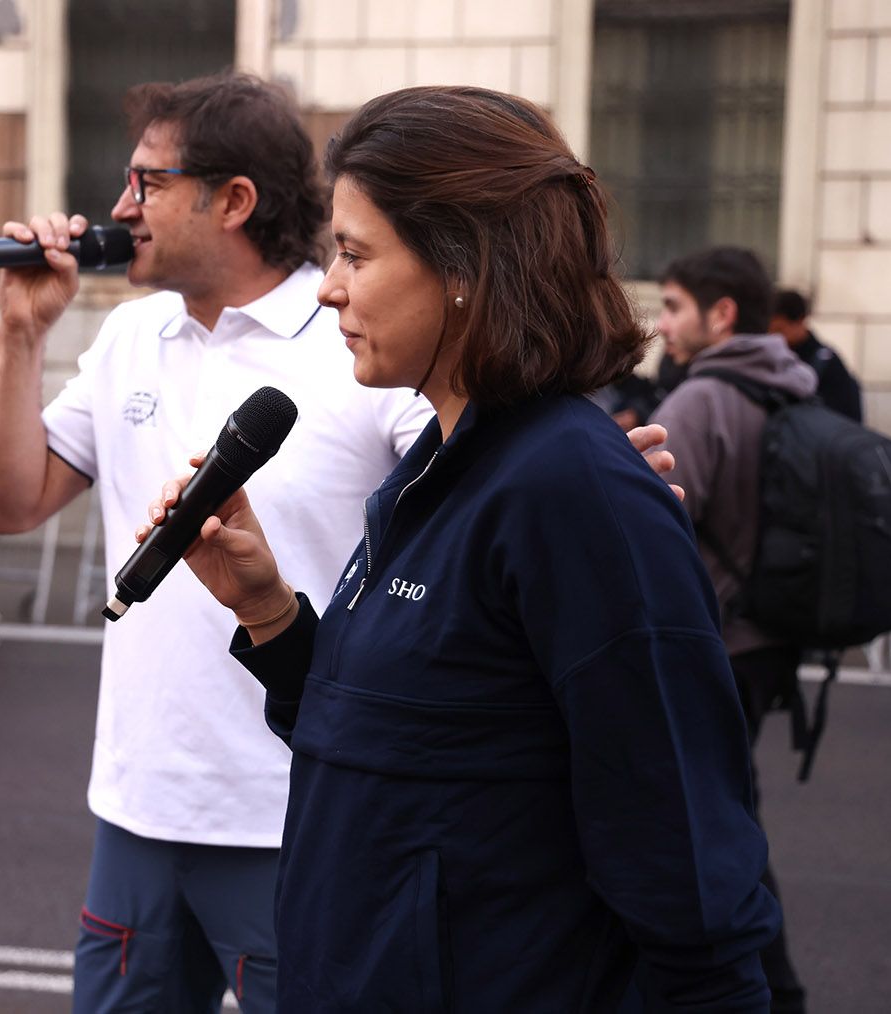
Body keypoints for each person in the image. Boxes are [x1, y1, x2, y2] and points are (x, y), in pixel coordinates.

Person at [136, 86, 781, 1011]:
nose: (328, 288)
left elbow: (683, 868)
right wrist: (268, 610)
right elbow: (389, 752)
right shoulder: (440, 466)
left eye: (356, 254)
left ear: (464, 265)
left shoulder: (572, 491)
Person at [653, 247, 817, 1013]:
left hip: (720, 640)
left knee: (715, 826)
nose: (661, 324)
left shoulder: (702, 400)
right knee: (729, 815)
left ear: (722, 314)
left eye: (675, 307)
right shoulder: (789, 384)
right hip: (773, 633)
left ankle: (769, 990)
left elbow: (651, 526)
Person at [769, 288, 862, 422]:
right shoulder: (771, 357)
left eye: (780, 329)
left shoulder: (826, 363)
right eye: (769, 331)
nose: (774, 337)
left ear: (800, 321)